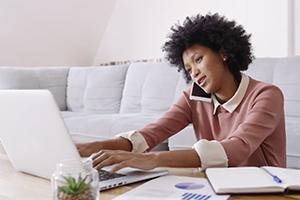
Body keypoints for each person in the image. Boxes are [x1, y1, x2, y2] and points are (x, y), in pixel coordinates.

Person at [77, 13, 286, 172]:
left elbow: (237, 149)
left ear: (223, 53)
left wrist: (153, 160)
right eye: (188, 68)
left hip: (266, 189)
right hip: (216, 186)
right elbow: (152, 133)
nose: (194, 72)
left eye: (198, 59)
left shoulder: (266, 95)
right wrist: (91, 147)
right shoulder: (192, 97)